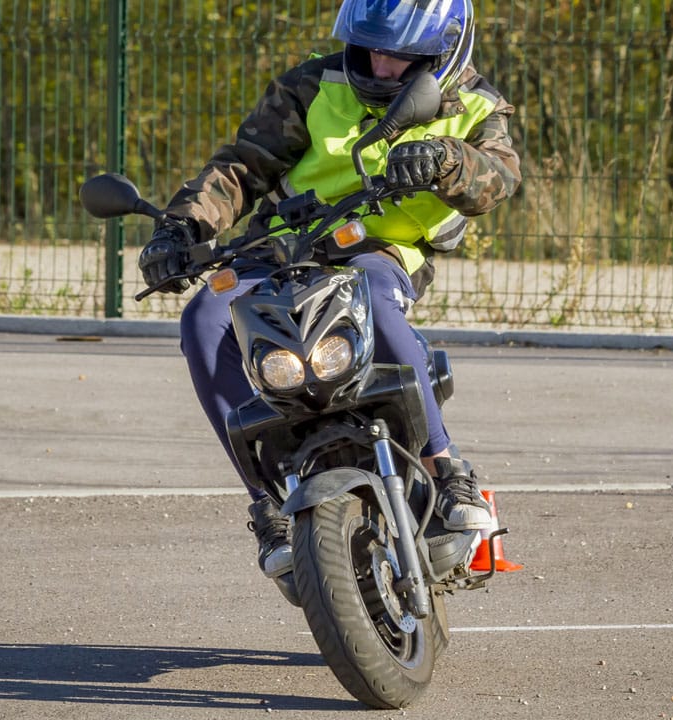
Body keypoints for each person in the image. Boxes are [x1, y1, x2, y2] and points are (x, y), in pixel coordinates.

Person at [138, 0, 522, 581]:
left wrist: (447, 159)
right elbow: (243, 168)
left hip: (381, 250)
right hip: (282, 247)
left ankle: (446, 470)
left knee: (368, 288)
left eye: (401, 56)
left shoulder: (476, 105)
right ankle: (266, 503)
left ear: (443, 52)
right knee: (205, 320)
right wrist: (181, 227)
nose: (381, 64)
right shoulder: (314, 83)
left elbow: (499, 178)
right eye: (372, 47)